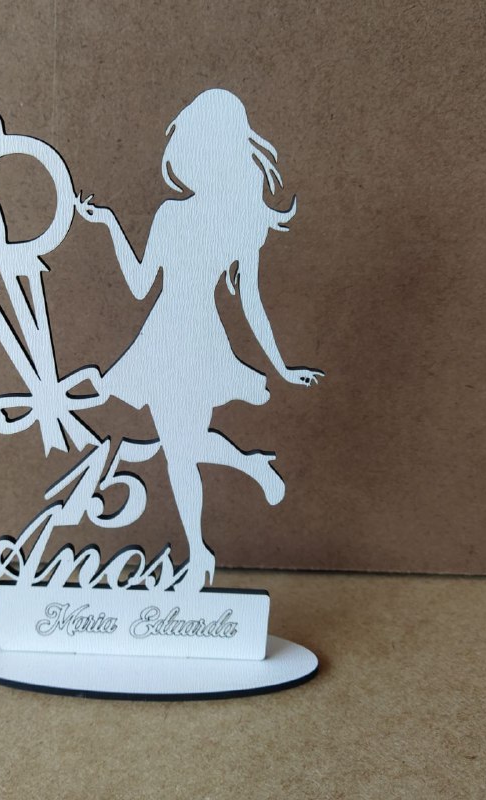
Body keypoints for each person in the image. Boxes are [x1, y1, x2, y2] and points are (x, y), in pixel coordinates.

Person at [77, 89, 323, 590]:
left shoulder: (239, 221)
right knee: (180, 449)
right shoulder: (172, 213)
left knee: (180, 450)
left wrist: (282, 366)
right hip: (162, 336)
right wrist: (109, 224)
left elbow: (251, 302)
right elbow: (141, 285)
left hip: (200, 339)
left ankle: (199, 551)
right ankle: (238, 486)